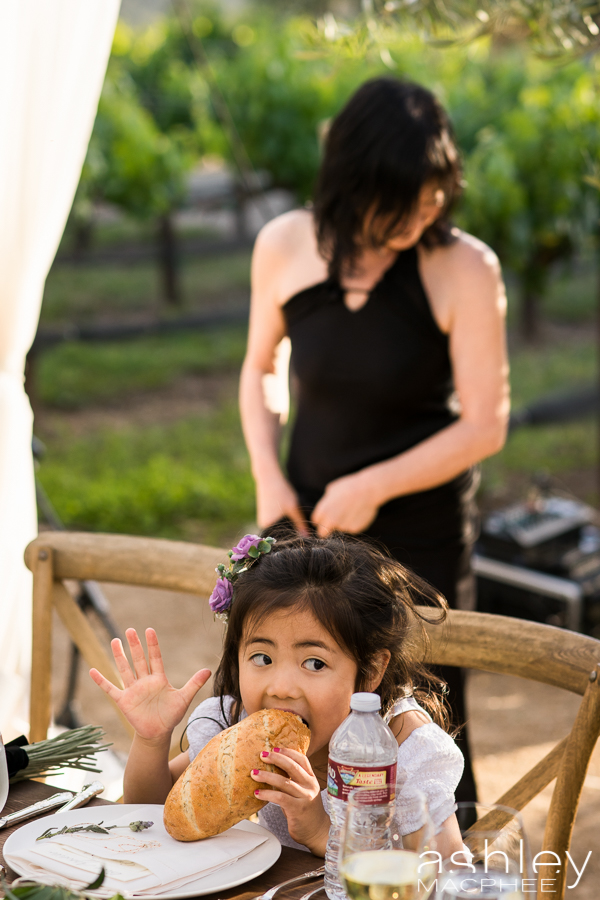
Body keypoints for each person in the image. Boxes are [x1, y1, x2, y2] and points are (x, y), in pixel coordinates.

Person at [239, 77, 510, 805]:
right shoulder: (285, 243)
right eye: (403, 200)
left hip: (417, 542)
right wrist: (269, 478)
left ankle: (438, 865)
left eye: (434, 196)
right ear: (354, 183)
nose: (423, 214)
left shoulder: (465, 268)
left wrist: (375, 485)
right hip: (305, 526)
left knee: (421, 721)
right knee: (292, 704)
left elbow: (487, 423)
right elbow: (261, 368)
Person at [90, 532, 465, 858]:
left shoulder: (406, 753)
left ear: (370, 672)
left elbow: (442, 873)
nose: (281, 687)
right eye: (262, 657)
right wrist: (152, 741)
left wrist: (321, 831)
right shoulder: (237, 722)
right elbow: (155, 811)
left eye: (314, 663)